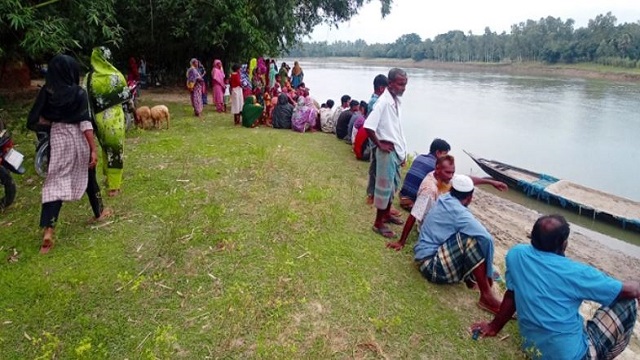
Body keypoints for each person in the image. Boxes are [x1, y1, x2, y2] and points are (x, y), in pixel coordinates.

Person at [471, 215, 639, 360]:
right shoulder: (576, 272)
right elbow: (631, 291)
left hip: (533, 348)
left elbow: (511, 295)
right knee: (628, 301)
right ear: (564, 243)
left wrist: (493, 327)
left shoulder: (516, 254)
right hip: (574, 355)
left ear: (532, 238)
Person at [27, 54, 111, 254]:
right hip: (79, 138)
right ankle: (99, 212)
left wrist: (51, 123)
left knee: (54, 183)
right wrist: (93, 149)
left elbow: (34, 120)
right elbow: (85, 122)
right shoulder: (79, 93)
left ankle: (49, 229)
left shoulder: (48, 93)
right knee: (89, 176)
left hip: (59, 138)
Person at [414, 174, 503, 312]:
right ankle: (487, 296)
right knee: (472, 239)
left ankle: (473, 281)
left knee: (469, 234)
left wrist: (490, 182)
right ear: (470, 198)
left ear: (452, 189)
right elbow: (487, 239)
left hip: (425, 256)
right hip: (430, 266)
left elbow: (467, 180)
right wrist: (489, 275)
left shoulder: (445, 197)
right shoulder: (460, 213)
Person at [387, 155, 507, 251]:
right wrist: (401, 242)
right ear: (437, 169)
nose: (451, 176)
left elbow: (466, 180)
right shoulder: (429, 189)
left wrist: (491, 182)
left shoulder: (444, 177)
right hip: (430, 227)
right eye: (448, 172)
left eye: (452, 172)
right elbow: (414, 215)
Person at [364, 68, 408, 238]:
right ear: (390, 84)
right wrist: (379, 144)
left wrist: (402, 152)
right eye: (400, 84)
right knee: (384, 188)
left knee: (393, 185)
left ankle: (387, 214)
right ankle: (378, 223)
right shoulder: (382, 102)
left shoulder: (395, 100)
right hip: (386, 153)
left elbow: (395, 127)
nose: (403, 87)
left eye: (405, 84)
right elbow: (369, 126)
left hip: (395, 150)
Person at [87, 46, 130, 197]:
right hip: (115, 120)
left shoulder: (89, 78)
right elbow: (126, 97)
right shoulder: (116, 75)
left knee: (105, 148)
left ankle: (107, 178)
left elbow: (85, 99)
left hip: (98, 120)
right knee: (116, 151)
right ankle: (114, 187)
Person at [398, 138, 451, 210]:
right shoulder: (436, 166)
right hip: (414, 202)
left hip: (402, 197)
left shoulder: (419, 157)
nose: (446, 157)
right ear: (438, 153)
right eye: (445, 154)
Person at [365, 75, 389, 206]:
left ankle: (373, 194)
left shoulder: (375, 100)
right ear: (381, 88)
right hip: (376, 142)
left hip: (375, 141)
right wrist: (379, 143)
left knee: (375, 168)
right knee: (375, 169)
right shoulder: (376, 102)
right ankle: (372, 195)